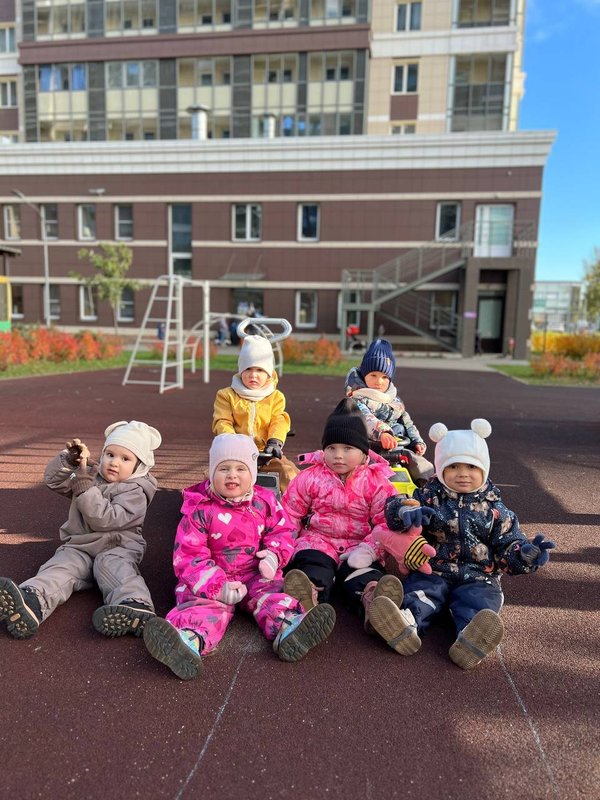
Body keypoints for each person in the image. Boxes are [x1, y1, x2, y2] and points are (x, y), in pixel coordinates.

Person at [143, 434, 335, 680]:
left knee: (273, 594)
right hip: (215, 577)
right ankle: (189, 640)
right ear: (211, 472)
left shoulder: (264, 501)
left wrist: (274, 555)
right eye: (223, 468)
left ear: (252, 473)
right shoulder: (200, 508)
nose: (232, 475)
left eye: (240, 469)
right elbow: (189, 555)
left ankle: (289, 627)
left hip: (255, 573)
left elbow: (283, 530)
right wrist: (217, 587)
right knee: (202, 606)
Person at [383, 418, 556, 670]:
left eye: (471, 466)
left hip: (479, 576)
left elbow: (508, 545)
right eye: (453, 466)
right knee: (421, 592)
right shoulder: (429, 496)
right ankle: (406, 623)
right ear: (441, 468)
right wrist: (404, 511)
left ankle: (470, 637)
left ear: (483, 469)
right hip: (435, 569)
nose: (463, 473)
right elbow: (397, 505)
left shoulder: (496, 510)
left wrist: (524, 555)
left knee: (478, 603)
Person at [0, 420, 162, 640]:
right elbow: (54, 482)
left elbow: (106, 519)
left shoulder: (136, 491)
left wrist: (85, 489)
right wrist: (69, 462)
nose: (114, 462)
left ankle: (135, 606)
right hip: (81, 546)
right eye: (110, 454)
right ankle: (32, 601)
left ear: (139, 466)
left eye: (125, 459)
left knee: (116, 569)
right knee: (61, 567)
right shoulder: (89, 474)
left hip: (117, 547)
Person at [282, 399, 416, 653]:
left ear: (364, 452)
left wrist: (370, 549)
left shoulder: (376, 482)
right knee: (313, 565)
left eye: (347, 448)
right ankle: (308, 596)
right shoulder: (310, 477)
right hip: (318, 540)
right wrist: (282, 549)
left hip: (359, 545)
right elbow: (290, 513)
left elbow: (385, 523)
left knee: (362, 575)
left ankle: (375, 602)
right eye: (331, 448)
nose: (338, 455)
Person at [212, 333, 298, 492]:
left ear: (269, 373)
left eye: (259, 370)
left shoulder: (275, 397)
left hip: (266, 454)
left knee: (290, 474)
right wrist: (233, 442)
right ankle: (213, 502)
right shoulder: (226, 395)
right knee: (212, 478)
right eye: (248, 369)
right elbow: (222, 421)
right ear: (241, 370)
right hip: (235, 456)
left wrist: (275, 440)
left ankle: (295, 504)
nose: (253, 375)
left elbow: (279, 420)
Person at [345, 338, 433, 484]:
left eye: (384, 377)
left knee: (419, 463)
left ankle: (425, 488)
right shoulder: (357, 399)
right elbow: (366, 418)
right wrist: (383, 433)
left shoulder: (394, 401)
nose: (379, 381)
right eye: (373, 375)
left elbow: (407, 423)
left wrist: (416, 441)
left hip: (395, 447)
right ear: (364, 375)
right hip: (367, 448)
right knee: (364, 473)